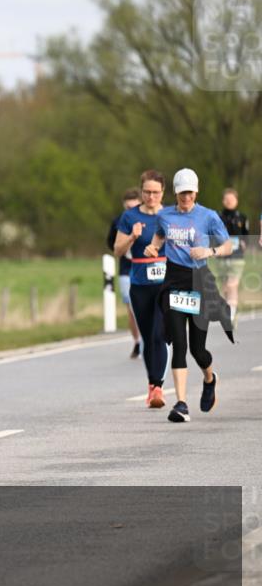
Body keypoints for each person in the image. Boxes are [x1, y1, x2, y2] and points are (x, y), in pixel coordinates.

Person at [143, 168, 233, 423]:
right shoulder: (166, 215)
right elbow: (160, 235)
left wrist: (209, 252)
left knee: (197, 350)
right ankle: (181, 404)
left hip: (199, 281)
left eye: (190, 193)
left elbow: (228, 245)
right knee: (178, 346)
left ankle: (209, 378)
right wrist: (153, 246)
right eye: (182, 193)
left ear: (196, 192)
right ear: (176, 192)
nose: (186, 197)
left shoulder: (208, 216)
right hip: (173, 281)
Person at [113, 173, 168, 409]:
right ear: (141, 191)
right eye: (147, 192)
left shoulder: (171, 216)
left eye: (155, 192)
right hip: (140, 283)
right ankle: (152, 384)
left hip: (166, 283)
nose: (151, 196)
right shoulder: (130, 217)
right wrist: (133, 237)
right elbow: (117, 250)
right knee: (147, 337)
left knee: (159, 334)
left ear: (163, 192)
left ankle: (159, 387)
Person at [107, 188, 143, 358]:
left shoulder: (147, 219)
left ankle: (150, 339)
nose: (131, 211)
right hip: (126, 268)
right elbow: (111, 244)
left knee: (147, 306)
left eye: (135, 207)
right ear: (124, 206)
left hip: (145, 267)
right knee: (132, 307)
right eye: (128, 208)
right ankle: (137, 341)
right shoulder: (118, 222)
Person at [215, 188, 249, 322]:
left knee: (232, 284)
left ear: (236, 201)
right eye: (227, 199)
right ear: (223, 200)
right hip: (222, 257)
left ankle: (231, 313)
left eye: (232, 199)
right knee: (224, 286)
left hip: (237, 257)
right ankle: (228, 307)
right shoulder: (217, 216)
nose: (229, 202)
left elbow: (246, 236)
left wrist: (242, 245)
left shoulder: (242, 217)